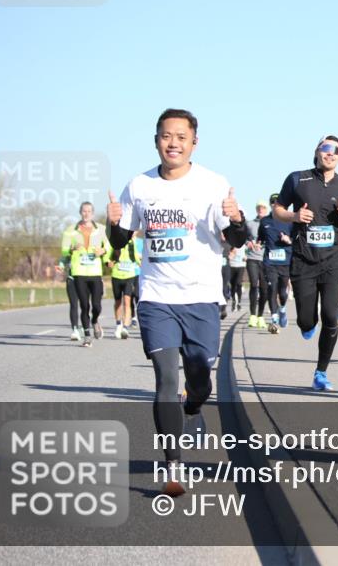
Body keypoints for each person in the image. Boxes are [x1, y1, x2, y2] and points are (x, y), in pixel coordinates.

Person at [106, 108, 247, 497]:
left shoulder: (213, 184)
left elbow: (235, 240)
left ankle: (193, 408)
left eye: (181, 137)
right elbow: (120, 241)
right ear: (156, 140)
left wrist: (237, 220)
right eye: (166, 136)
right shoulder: (138, 186)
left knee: (200, 376)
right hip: (156, 298)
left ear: (193, 143)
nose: (173, 143)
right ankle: (173, 465)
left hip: (201, 297)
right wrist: (112, 222)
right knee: (166, 379)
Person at [273, 136, 338, 391]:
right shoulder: (297, 179)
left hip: (334, 259)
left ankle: (321, 372)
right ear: (317, 152)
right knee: (306, 320)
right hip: (304, 259)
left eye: (337, 151)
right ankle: (307, 324)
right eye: (326, 148)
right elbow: (277, 210)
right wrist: (294, 215)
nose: (331, 154)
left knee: (331, 315)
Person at [60, 201, 111, 347]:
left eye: (89, 211)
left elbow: (108, 246)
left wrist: (104, 251)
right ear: (80, 212)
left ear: (93, 213)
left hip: (95, 272)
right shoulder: (70, 230)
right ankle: (87, 336)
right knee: (84, 305)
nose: (86, 213)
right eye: (84, 211)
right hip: (79, 272)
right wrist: (71, 248)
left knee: (96, 305)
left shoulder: (101, 229)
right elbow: (63, 250)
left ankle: (95, 320)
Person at [259, 193, 293, 333]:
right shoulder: (264, 222)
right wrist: (255, 244)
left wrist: (288, 240)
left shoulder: (290, 220)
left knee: (283, 293)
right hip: (270, 262)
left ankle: (282, 309)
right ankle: (274, 319)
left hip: (285, 262)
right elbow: (260, 239)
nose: (274, 204)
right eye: (272, 202)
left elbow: (296, 241)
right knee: (271, 289)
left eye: (277, 202)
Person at [108, 230, 140, 339]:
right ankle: (118, 325)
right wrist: (108, 262)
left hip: (129, 275)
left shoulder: (132, 243)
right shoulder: (114, 243)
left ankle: (125, 328)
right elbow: (108, 257)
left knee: (127, 300)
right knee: (118, 302)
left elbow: (136, 257)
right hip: (116, 275)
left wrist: (143, 265)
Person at [244, 201, 268, 329]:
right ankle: (252, 315)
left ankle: (260, 316)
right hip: (252, 258)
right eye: (259, 208)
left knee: (264, 289)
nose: (261, 210)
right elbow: (244, 236)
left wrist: (263, 244)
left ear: (266, 209)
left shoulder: (269, 223)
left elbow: (273, 239)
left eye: (263, 208)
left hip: (265, 260)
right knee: (254, 285)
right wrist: (247, 242)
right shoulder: (250, 223)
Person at [56, 247, 81, 341]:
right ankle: (75, 330)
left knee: (85, 305)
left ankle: (88, 324)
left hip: (85, 279)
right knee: (73, 304)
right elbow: (63, 259)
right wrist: (61, 266)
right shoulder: (71, 249)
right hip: (72, 279)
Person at [228, 240, 246, 312]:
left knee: (239, 283)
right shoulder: (230, 243)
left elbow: (248, 250)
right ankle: (234, 301)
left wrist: (246, 256)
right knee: (233, 285)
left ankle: (239, 302)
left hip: (241, 265)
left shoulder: (244, 243)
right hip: (232, 265)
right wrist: (230, 254)